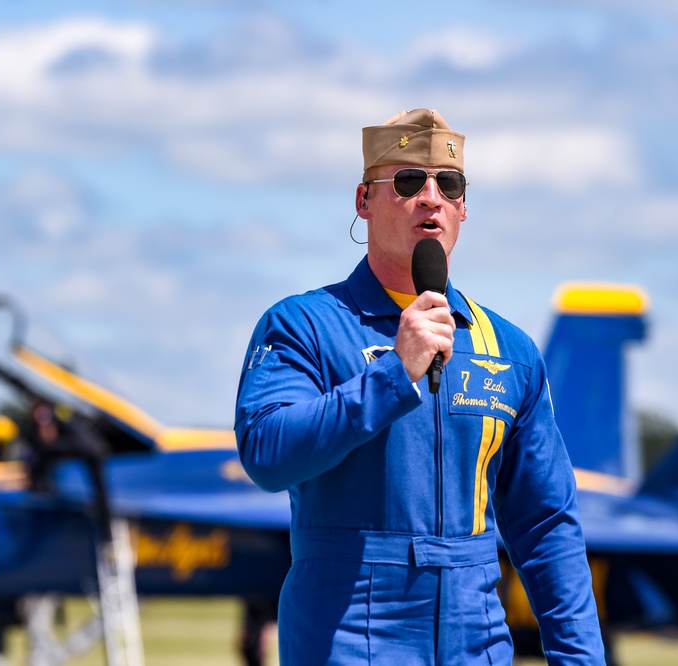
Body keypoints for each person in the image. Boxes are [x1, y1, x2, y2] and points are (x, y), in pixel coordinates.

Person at [234, 108, 604, 664]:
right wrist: (390, 375)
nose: (430, 197)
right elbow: (267, 453)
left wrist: (580, 658)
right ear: (363, 200)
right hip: (347, 639)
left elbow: (546, 522)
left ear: (462, 207)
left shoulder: (509, 351)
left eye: (448, 184)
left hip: (475, 643)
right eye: (408, 182)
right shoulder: (301, 325)